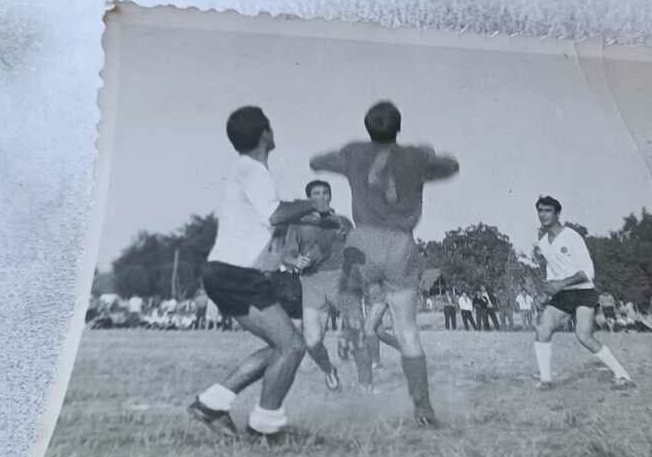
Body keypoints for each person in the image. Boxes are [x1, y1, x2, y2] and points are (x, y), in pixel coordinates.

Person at [310, 100, 459, 426]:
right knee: (407, 331)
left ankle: (350, 331)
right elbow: (451, 166)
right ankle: (422, 408)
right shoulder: (415, 157)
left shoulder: (354, 152)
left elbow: (316, 161)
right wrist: (427, 156)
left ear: (367, 127)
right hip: (400, 243)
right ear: (399, 126)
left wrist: (346, 159)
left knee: (349, 293)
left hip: (362, 239)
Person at [187, 106, 332, 438]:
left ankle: (212, 403)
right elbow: (274, 215)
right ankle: (265, 427)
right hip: (238, 274)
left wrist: (316, 218)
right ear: (265, 133)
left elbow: (266, 216)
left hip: (224, 273)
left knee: (279, 347)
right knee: (293, 347)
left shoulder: (243, 169)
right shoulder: (254, 170)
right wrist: (313, 204)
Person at [530, 196, 636, 391]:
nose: (543, 215)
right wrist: (545, 295)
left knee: (583, 336)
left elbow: (588, 273)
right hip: (563, 294)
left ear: (557, 213)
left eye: (548, 211)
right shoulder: (544, 242)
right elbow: (553, 273)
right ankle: (546, 381)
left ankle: (623, 376)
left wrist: (560, 283)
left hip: (583, 292)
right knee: (542, 330)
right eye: (540, 211)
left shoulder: (571, 236)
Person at [280, 179, 355, 392]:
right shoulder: (298, 223)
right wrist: (296, 261)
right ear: (308, 199)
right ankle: (330, 371)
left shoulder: (342, 221)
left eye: (325, 193)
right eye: (316, 193)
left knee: (353, 320)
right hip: (312, 282)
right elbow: (287, 254)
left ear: (330, 196)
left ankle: (346, 342)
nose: (321, 197)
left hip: (340, 278)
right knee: (312, 342)